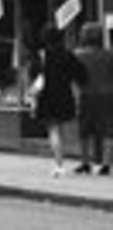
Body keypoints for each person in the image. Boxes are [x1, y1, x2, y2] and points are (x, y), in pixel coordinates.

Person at [31, 21, 89, 178]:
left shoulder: (42, 55)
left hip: (47, 96)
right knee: (60, 129)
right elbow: (81, 75)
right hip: (64, 95)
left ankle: (59, 164)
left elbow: (33, 74)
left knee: (53, 130)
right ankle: (64, 160)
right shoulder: (68, 54)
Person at [78, 22, 113, 175]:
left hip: (86, 93)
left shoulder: (79, 55)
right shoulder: (109, 55)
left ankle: (85, 162)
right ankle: (106, 164)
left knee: (84, 130)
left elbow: (75, 77)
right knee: (108, 130)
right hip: (107, 94)